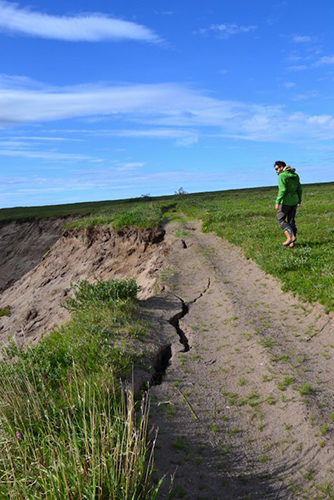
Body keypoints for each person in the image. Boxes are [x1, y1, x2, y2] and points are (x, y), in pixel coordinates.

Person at [274, 161, 302, 247]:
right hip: (294, 201)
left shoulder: (282, 176)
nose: (276, 171)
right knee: (291, 221)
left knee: (279, 219)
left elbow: (282, 190)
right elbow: (299, 189)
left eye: (277, 169)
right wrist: (299, 200)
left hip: (286, 202)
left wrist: (277, 201)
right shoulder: (295, 175)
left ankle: (290, 237)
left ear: (282, 167)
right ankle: (292, 243)